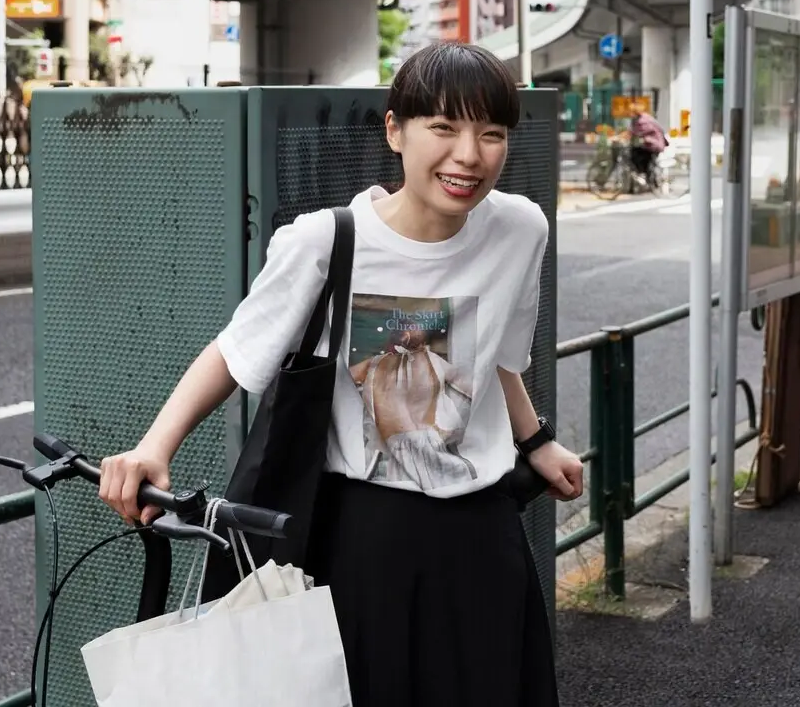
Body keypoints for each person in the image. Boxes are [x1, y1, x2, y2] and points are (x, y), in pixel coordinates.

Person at [98, 41, 584, 707]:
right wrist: (154, 447)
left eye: (491, 133)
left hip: (482, 529)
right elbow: (236, 351)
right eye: (443, 128)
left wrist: (536, 441)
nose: (468, 154)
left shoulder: (521, 228)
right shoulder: (328, 241)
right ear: (396, 131)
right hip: (368, 534)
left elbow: (495, 355)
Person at [628, 105, 668, 187]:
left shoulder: (642, 121)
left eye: (631, 112)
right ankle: (649, 179)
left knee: (635, 153)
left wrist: (626, 136)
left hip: (654, 145)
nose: (629, 114)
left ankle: (643, 174)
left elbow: (638, 132)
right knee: (643, 155)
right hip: (655, 144)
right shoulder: (646, 117)